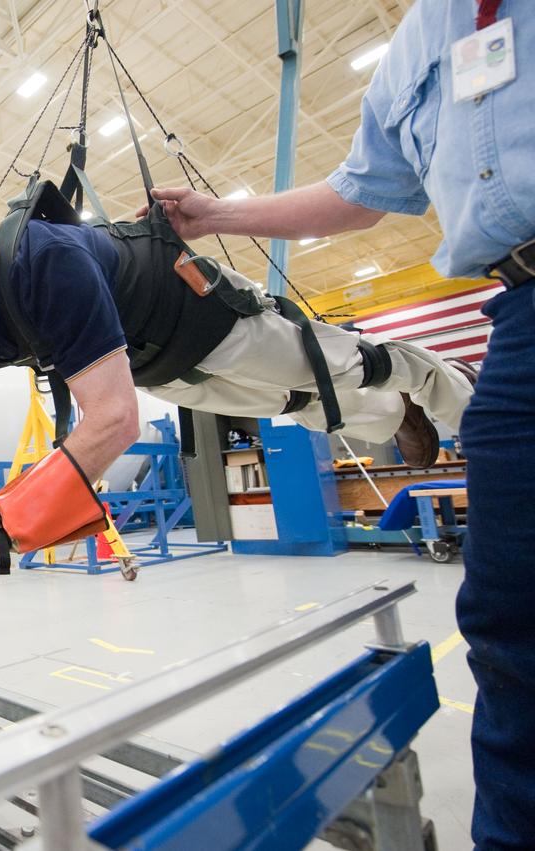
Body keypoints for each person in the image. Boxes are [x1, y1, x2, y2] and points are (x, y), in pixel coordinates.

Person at [143, 2, 533, 845]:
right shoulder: (419, 47)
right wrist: (213, 216)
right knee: (508, 623)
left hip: (463, 352)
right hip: (520, 310)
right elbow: (360, 194)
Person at [0, 192, 475, 586]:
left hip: (207, 317)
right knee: (299, 408)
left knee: (333, 367)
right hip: (161, 366)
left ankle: (451, 388)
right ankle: (394, 416)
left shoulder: (42, 264)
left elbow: (113, 421)